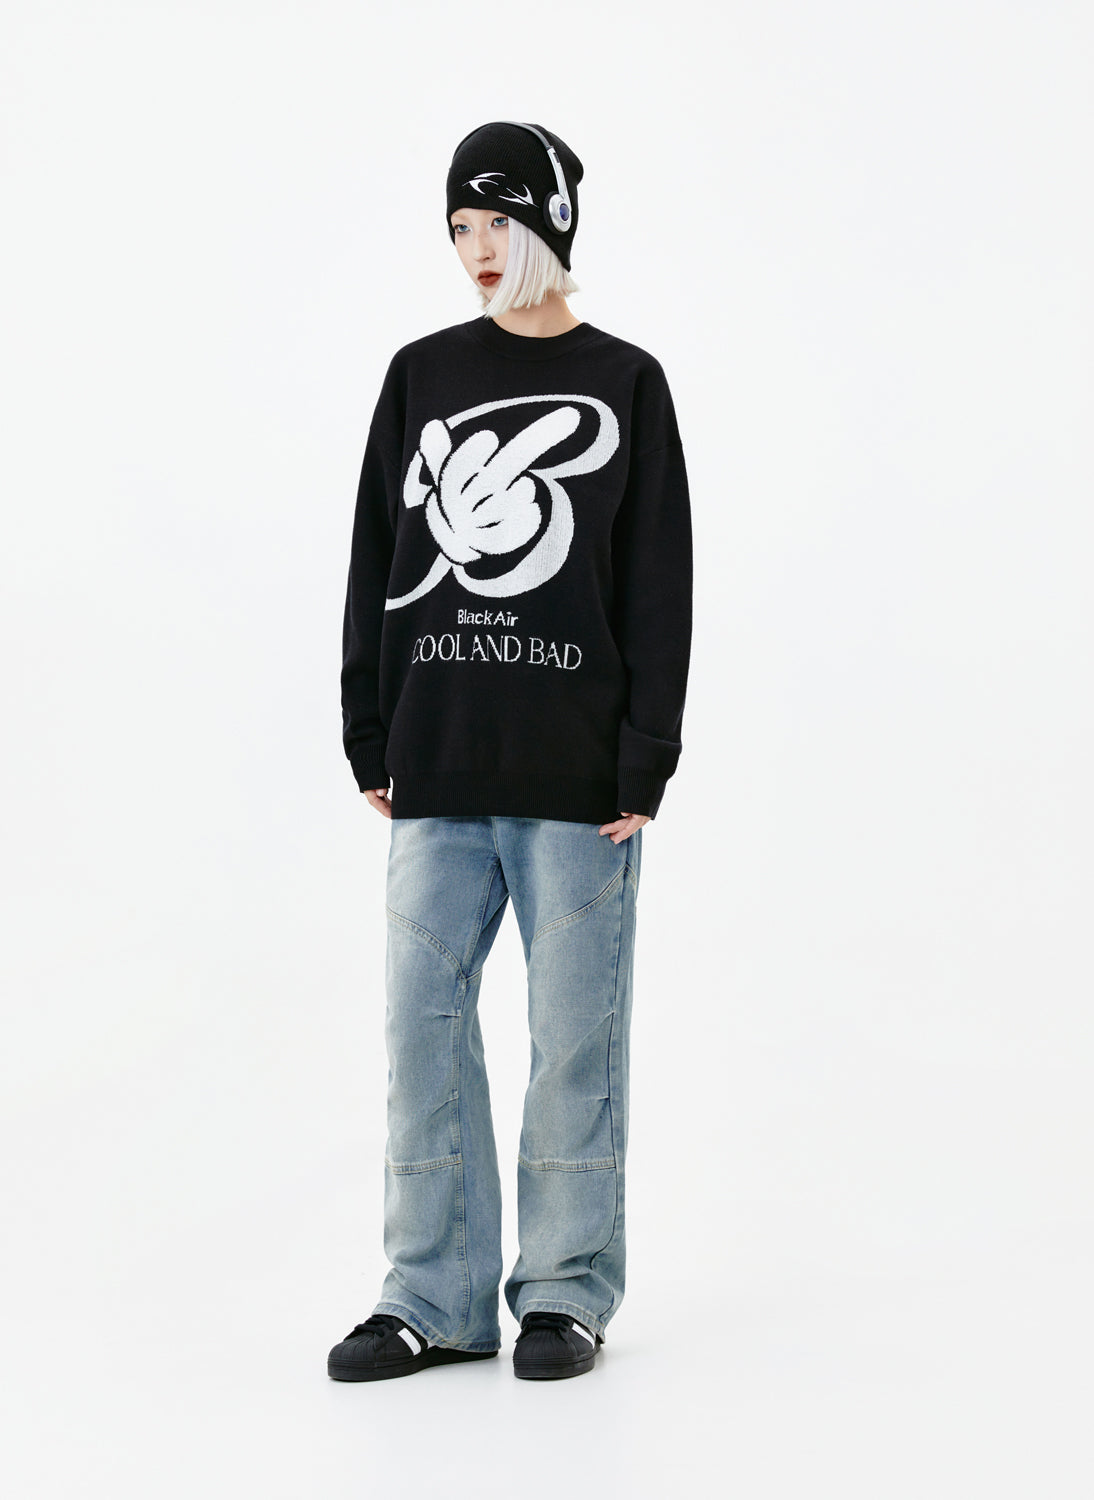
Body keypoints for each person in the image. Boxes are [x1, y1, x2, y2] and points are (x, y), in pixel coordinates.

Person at [328, 121, 693, 1384]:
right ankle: (431, 1298)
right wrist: (367, 727)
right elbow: (376, 559)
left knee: (574, 1046)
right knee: (420, 1037)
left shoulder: (626, 381)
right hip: (434, 771)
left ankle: (563, 1293)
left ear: (548, 223)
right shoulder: (419, 374)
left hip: (578, 782)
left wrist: (644, 756)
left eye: (497, 223)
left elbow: (656, 581)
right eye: (459, 229)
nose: (477, 250)